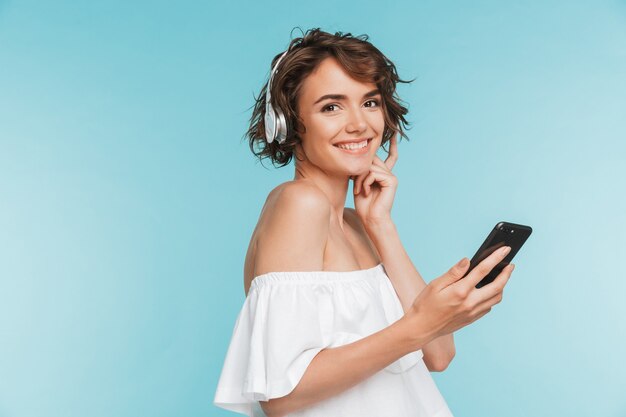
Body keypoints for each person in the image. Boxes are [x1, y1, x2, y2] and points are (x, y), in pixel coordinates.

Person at [214, 28, 514, 417]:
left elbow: (438, 354)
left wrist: (380, 225)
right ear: (289, 123)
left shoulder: (359, 223)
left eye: (370, 102)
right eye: (331, 107)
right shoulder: (298, 203)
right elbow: (280, 396)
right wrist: (421, 324)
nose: (359, 125)